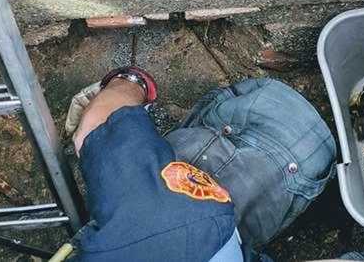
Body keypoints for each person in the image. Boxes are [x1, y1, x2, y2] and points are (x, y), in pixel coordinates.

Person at [59, 67, 338, 261]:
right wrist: (130, 81)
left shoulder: (139, 218)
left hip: (296, 169)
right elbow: (96, 125)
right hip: (288, 147)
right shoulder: (144, 216)